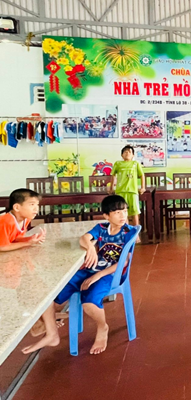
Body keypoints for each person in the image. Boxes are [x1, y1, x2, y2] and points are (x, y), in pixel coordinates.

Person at [22, 195, 139, 356]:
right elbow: (84, 238)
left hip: (111, 274)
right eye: (117, 212)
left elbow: (123, 262)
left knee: (88, 303)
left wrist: (97, 276)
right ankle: (47, 327)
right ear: (106, 216)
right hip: (90, 270)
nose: (123, 216)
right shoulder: (101, 228)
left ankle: (102, 327)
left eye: (124, 211)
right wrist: (91, 248)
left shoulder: (128, 232)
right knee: (52, 294)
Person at [109, 145, 146, 229]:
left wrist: (143, 187)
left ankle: (136, 234)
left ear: (133, 155)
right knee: (122, 212)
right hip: (120, 191)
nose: (127, 153)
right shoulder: (118, 163)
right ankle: (126, 232)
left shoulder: (135, 164)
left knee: (134, 212)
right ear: (122, 155)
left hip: (133, 191)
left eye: (129, 152)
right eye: (125, 152)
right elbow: (113, 175)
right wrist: (111, 188)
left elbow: (141, 175)